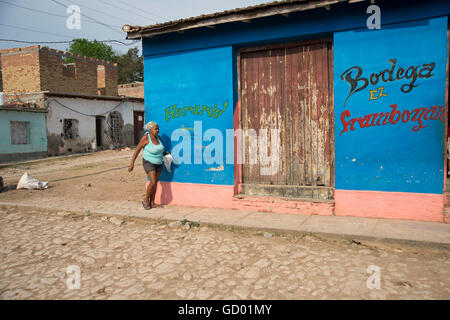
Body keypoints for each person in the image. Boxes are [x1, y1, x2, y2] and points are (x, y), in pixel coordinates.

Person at [128, 121, 165, 210]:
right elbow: (137, 150)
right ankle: (145, 200)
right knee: (152, 182)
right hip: (148, 162)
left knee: (155, 183)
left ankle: (152, 202)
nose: (157, 130)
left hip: (159, 163)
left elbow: (160, 150)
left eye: (158, 129)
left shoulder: (158, 138)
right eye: (155, 129)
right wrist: (132, 163)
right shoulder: (145, 138)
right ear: (150, 130)